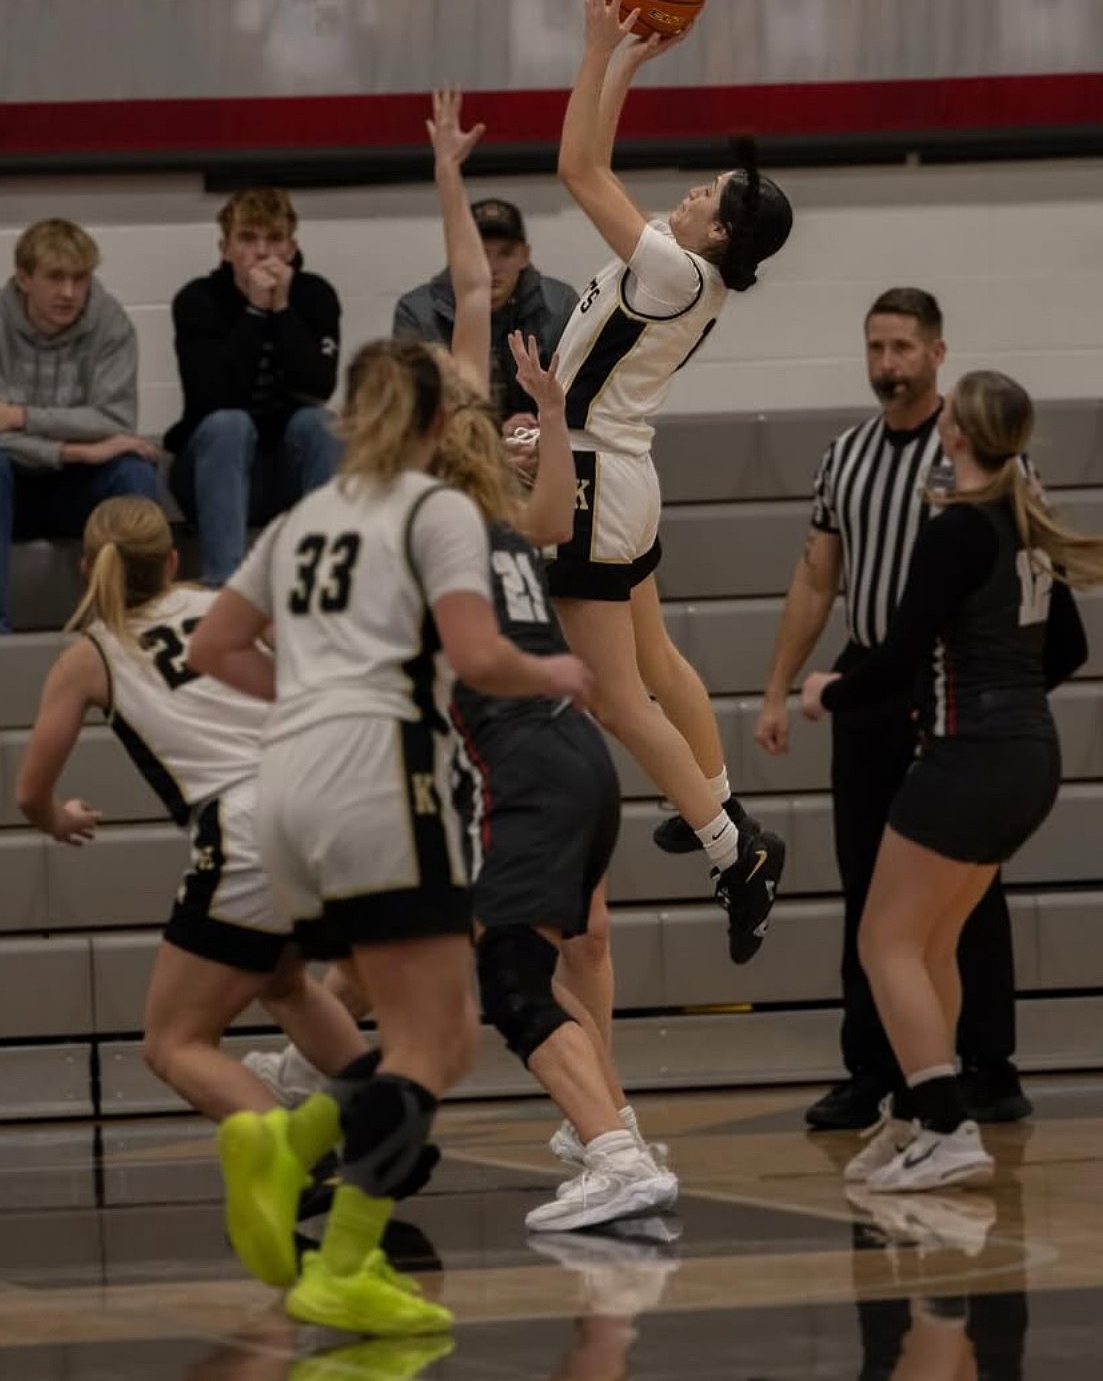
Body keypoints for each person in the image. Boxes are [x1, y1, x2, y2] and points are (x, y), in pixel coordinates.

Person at [245, 91, 677, 1235]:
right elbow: (475, 295)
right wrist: (444, 174)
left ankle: (612, 1142)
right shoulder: (485, 498)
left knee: (507, 970)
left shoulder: (416, 515)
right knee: (480, 932)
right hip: (564, 763)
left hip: (524, 754)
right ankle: (589, 1121)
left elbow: (474, 298)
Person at [187, 337, 592, 1338]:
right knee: (439, 1038)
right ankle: (340, 1250)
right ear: (426, 423)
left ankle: (298, 1142)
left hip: (284, 789)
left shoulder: (299, 518)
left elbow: (209, 646)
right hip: (382, 778)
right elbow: (476, 650)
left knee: (395, 1023)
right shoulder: (438, 509)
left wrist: (309, 697)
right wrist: (549, 674)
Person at [548, 0, 793, 976]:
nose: (691, 190)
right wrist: (628, 63)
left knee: (614, 697)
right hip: (619, 473)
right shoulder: (686, 268)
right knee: (654, 665)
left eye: (710, 197)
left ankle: (735, 853)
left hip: (596, 482)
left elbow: (572, 168)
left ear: (722, 233)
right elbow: (598, 160)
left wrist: (596, 47)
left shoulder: (675, 270)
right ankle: (718, 803)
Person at [800, 369, 1097, 1191]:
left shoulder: (957, 528)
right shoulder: (1020, 522)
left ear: (954, 435)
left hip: (969, 758)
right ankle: (909, 1111)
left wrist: (829, 691)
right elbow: (1065, 649)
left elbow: (894, 661)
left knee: (882, 939)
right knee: (929, 941)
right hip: (1028, 756)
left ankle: (943, 1122)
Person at [752, 289, 1031, 1132]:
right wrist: (776, 686)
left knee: (962, 892)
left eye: (902, 347)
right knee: (865, 883)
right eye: (875, 346)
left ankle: (986, 1062)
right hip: (870, 677)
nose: (886, 364)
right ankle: (875, 1068)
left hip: (953, 681)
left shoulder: (977, 454)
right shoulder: (844, 455)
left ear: (937, 353)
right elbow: (815, 576)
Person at [13, 495, 367, 1123]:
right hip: (326, 799)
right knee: (283, 984)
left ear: (88, 567)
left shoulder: (89, 656)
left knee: (174, 1043)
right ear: (173, 560)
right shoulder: (222, 602)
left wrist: (57, 819)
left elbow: (30, 791)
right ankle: (387, 1122)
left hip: (249, 822)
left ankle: (293, 1165)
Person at [164, 188, 342, 585]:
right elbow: (214, 395)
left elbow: (317, 385)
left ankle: (323, 582)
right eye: (248, 239)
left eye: (275, 239)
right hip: (210, 468)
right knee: (229, 424)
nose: (263, 253)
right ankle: (222, 587)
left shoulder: (315, 296)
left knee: (321, 423)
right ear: (225, 249)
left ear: (292, 247)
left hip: (282, 468)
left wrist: (280, 310)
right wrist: (254, 311)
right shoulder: (197, 301)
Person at [0, 219, 158, 633]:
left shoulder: (112, 323)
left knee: (132, 470)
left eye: (79, 278)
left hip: (78, 488)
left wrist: (22, 417)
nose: (69, 293)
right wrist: (74, 449)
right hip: (12, 483)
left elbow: (115, 420)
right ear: (23, 279)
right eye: (55, 278)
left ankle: (140, 625)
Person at [393, 188, 577, 425]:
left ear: (524, 256)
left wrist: (538, 435)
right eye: (479, 252)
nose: (491, 267)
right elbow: (414, 411)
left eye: (505, 253)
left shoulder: (560, 306)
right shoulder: (416, 313)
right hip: (452, 450)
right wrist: (498, 436)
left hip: (538, 448)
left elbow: (577, 398)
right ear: (457, 255)